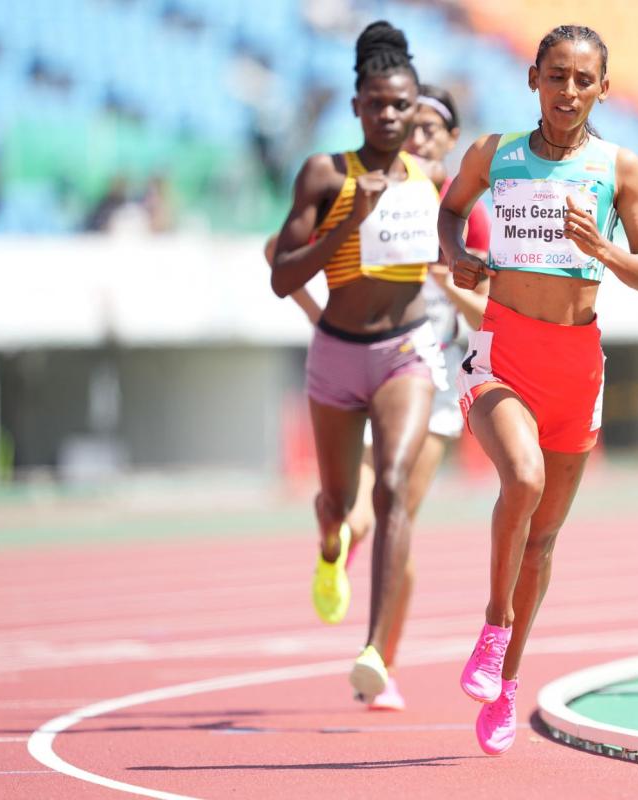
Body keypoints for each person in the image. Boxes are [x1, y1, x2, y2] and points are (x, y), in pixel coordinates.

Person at [437, 24, 638, 755]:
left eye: (584, 79)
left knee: (542, 542)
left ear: (605, 86)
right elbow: (449, 209)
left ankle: (506, 684)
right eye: (556, 76)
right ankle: (492, 626)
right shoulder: (494, 154)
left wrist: (606, 252)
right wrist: (460, 255)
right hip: (504, 353)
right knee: (522, 478)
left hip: (578, 368)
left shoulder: (620, 168)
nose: (569, 92)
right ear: (533, 77)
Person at [262, 84, 491, 710]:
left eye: (429, 129)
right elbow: (292, 263)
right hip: (362, 363)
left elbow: (487, 309)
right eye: (408, 124)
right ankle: (339, 552)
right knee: (373, 507)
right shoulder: (372, 192)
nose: (414, 136)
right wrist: (327, 323)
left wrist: (446, 277)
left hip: (430, 382)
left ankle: (378, 657)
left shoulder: (463, 212)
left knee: (398, 514)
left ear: (449, 142)